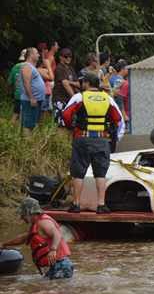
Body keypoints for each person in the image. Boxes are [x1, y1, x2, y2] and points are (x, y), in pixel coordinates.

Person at [61, 72, 123, 213]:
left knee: (78, 172)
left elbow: (66, 114)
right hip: (101, 139)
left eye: (83, 82)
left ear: (87, 83)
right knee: (100, 173)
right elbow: (118, 118)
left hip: (82, 138)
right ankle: (101, 204)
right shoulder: (107, 98)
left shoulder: (79, 97)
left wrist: (71, 126)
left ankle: (76, 204)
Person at [2, 198, 73, 279]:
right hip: (56, 266)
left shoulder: (43, 222)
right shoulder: (36, 225)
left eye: (23, 214)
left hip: (61, 265)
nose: (22, 217)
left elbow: (57, 234)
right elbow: (22, 238)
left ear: (29, 212)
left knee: (53, 290)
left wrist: (53, 250)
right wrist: (4, 244)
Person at [17, 47, 46, 134]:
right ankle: (27, 144)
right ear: (31, 55)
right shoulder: (26, 66)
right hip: (30, 100)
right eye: (37, 53)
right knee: (28, 125)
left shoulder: (32, 67)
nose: (39, 55)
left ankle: (30, 143)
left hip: (36, 100)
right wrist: (31, 98)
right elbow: (26, 83)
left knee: (32, 124)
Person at [53, 47, 80, 123]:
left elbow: (78, 84)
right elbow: (65, 84)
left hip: (69, 100)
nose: (68, 58)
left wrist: (70, 82)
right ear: (60, 57)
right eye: (66, 56)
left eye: (70, 56)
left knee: (70, 122)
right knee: (61, 122)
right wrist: (74, 98)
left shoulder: (71, 69)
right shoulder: (59, 68)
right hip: (60, 99)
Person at [7, 49, 26, 122]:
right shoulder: (29, 67)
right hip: (26, 95)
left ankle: (10, 128)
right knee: (24, 115)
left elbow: (9, 82)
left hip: (17, 94)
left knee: (16, 113)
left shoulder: (15, 67)